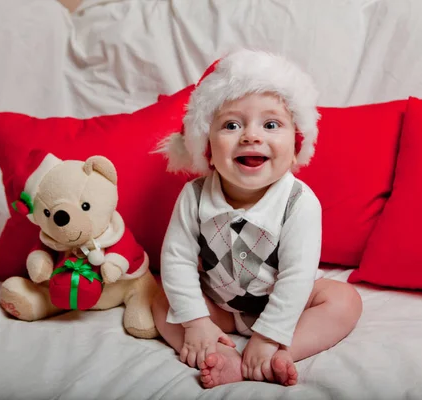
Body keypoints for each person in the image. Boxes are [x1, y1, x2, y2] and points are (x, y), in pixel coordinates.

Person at [152, 48, 362, 388]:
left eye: (271, 124)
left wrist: (268, 336)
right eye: (232, 125)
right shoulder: (193, 195)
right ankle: (219, 354)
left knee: (345, 301)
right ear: (207, 147)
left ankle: (280, 352)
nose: (251, 136)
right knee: (163, 299)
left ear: (295, 147)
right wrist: (196, 322)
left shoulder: (299, 202)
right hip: (221, 304)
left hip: (288, 306)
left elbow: (296, 276)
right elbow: (176, 260)